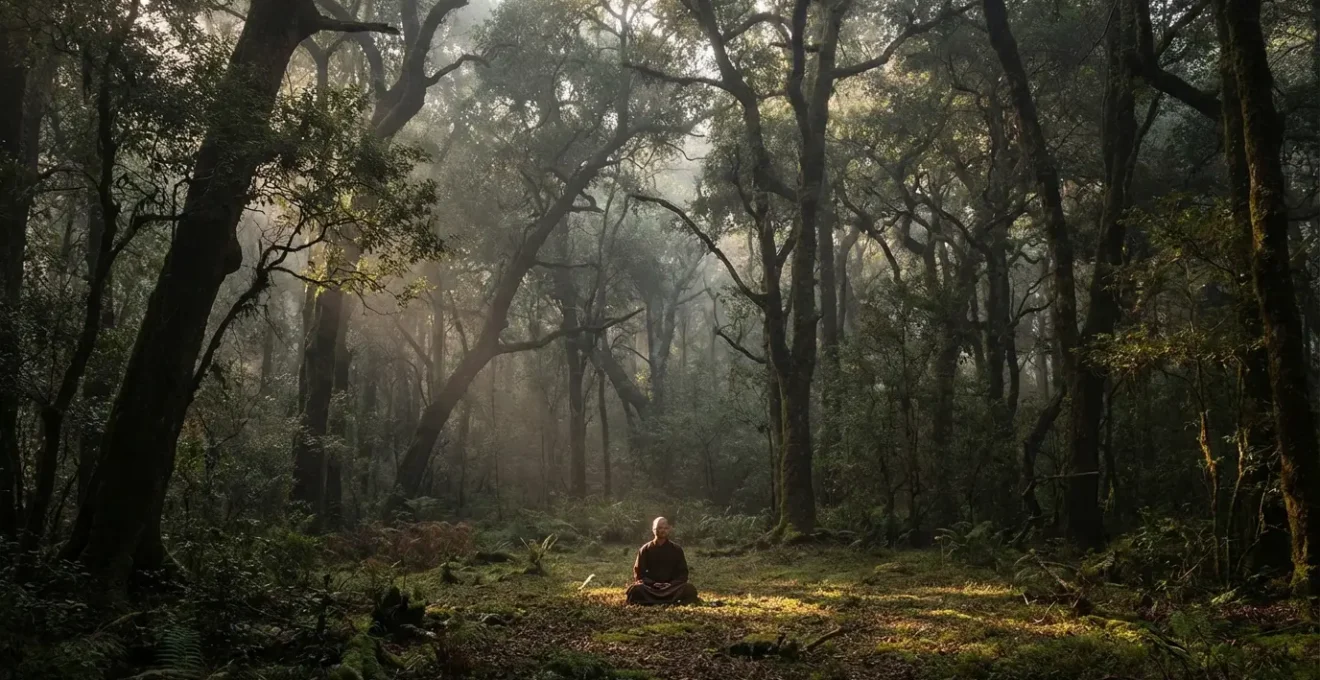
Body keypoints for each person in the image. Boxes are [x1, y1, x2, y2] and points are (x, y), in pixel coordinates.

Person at [625, 516, 698, 605]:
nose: (663, 530)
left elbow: (683, 574)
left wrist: (670, 584)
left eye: (666, 528)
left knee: (689, 588)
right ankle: (669, 601)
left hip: (671, 588)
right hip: (651, 588)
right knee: (635, 589)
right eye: (660, 528)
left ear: (669, 529)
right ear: (653, 529)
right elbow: (639, 573)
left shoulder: (676, 549)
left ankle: (651, 601)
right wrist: (653, 584)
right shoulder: (645, 549)